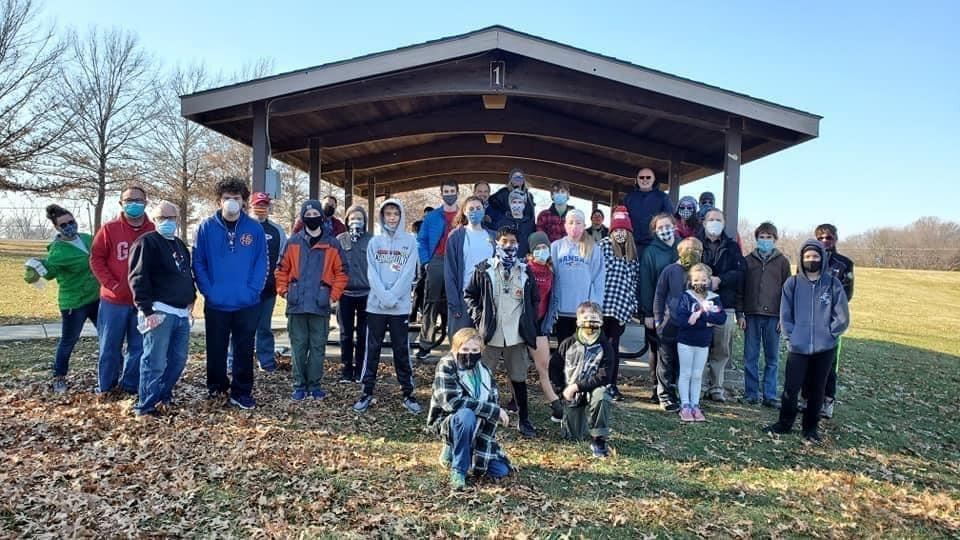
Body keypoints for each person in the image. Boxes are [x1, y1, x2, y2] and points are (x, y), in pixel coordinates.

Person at [192, 177, 268, 410]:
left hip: (247, 303)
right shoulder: (205, 227)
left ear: (244, 201)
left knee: (244, 349)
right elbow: (198, 262)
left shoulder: (254, 228)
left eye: (236, 198)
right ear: (219, 201)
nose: (231, 202)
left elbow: (261, 262)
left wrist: (253, 290)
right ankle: (216, 388)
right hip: (217, 303)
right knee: (216, 348)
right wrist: (209, 291)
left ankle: (241, 391)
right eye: (227, 198)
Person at [765, 240, 849, 443]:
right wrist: (791, 336)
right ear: (802, 259)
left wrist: (830, 334)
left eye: (816, 256)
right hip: (798, 346)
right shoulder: (792, 284)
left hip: (825, 348)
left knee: (817, 389)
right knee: (791, 387)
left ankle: (810, 427)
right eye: (808, 257)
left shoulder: (832, 284)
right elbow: (785, 313)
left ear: (823, 258)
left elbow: (841, 315)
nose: (812, 260)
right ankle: (784, 423)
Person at [464, 226, 540, 437]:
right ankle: (479, 416)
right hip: (491, 335)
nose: (508, 246)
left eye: (512, 242)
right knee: (482, 376)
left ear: (518, 244)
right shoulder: (484, 269)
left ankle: (524, 419)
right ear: (496, 243)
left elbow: (535, 299)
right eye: (504, 241)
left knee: (519, 378)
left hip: (516, 335)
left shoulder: (525, 271)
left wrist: (529, 320)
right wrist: (479, 317)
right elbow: (470, 295)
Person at [353, 198, 422, 414]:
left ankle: (408, 393)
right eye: (388, 214)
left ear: (401, 216)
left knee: (401, 350)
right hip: (376, 306)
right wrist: (384, 296)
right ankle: (367, 391)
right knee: (372, 349)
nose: (392, 218)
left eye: (396, 214)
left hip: (399, 307)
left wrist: (393, 296)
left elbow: (409, 273)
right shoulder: (375, 243)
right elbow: (371, 273)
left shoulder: (410, 242)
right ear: (382, 217)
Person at [275, 200, 349, 401]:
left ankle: (315, 385)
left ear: (322, 217)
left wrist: (333, 296)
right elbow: (281, 270)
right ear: (302, 217)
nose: (312, 217)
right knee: (298, 347)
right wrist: (285, 292)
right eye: (308, 214)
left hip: (320, 304)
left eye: (316, 214)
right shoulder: (293, 242)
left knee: (317, 347)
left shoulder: (332, 244)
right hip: (297, 304)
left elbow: (342, 273)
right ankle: (299, 385)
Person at [127, 202, 196, 417]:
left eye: (171, 217)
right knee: (154, 361)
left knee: (178, 360)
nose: (167, 222)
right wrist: (146, 310)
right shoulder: (146, 243)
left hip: (181, 312)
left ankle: (162, 395)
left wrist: (191, 297)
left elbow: (185, 273)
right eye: (161, 218)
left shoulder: (179, 244)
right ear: (154, 220)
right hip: (159, 311)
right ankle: (145, 405)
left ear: (177, 219)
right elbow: (138, 277)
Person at [24, 205, 100, 393]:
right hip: (74, 302)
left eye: (71, 222)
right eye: (63, 225)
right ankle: (59, 377)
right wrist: (35, 269)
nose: (69, 227)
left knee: (108, 336)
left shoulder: (87, 238)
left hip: (96, 297)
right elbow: (49, 272)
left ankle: (116, 369)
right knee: (69, 340)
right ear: (57, 228)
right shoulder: (57, 251)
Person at [426, 328, 512, 491]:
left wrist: (492, 410)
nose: (469, 354)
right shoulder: (446, 365)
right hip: (449, 421)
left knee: (501, 470)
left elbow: (492, 402)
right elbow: (452, 403)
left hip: (478, 426)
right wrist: (494, 410)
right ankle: (458, 470)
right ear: (455, 348)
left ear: (481, 351)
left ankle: (462, 452)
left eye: (474, 350)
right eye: (465, 349)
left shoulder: (484, 371)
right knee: (466, 415)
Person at [90, 185, 155, 396]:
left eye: (138, 200)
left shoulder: (154, 230)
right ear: (121, 203)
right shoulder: (109, 229)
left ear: (145, 203)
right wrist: (112, 284)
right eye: (128, 200)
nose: (133, 204)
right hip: (114, 301)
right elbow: (96, 259)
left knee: (139, 347)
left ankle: (130, 386)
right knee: (109, 347)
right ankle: (106, 387)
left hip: (142, 303)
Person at [229, 192, 286, 372]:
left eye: (264, 205)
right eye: (258, 205)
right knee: (240, 326)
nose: (261, 208)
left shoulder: (277, 231)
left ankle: (266, 361)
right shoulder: (239, 227)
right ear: (250, 206)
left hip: (268, 289)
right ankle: (233, 361)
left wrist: (277, 282)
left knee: (264, 328)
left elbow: (283, 259)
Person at [549, 301, 614, 458]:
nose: (589, 323)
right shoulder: (568, 343)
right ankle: (573, 419)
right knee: (573, 437)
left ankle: (599, 439)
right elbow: (554, 369)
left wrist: (577, 386)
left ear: (601, 321)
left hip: (593, 389)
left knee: (601, 396)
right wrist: (561, 392)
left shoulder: (606, 346)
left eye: (594, 319)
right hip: (571, 393)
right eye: (585, 319)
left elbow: (604, 376)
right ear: (578, 321)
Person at [736, 222, 791, 407]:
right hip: (751, 315)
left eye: (769, 237)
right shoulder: (748, 261)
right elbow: (740, 289)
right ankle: (751, 393)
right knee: (750, 356)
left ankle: (770, 395)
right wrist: (740, 314)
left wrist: (784, 316)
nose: (765, 240)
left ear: (775, 239)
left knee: (772, 358)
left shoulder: (782, 262)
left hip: (774, 317)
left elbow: (787, 291)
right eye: (762, 237)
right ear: (756, 239)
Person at [697, 209, 745, 402]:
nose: (714, 222)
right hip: (700, 303)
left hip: (725, 303)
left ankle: (716, 386)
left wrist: (720, 280)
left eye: (718, 219)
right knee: (700, 345)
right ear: (704, 222)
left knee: (721, 348)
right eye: (711, 219)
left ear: (724, 223)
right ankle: (699, 385)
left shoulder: (732, 247)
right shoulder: (696, 244)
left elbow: (740, 273)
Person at [653, 237, 703, 412]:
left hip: (691, 327)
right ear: (680, 251)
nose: (693, 253)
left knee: (685, 364)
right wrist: (658, 319)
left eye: (697, 250)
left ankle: (685, 397)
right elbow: (659, 294)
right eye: (689, 249)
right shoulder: (670, 270)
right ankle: (665, 395)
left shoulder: (701, 274)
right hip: (669, 324)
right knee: (666, 361)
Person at [673, 264, 727, 422]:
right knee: (686, 373)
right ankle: (685, 405)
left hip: (703, 342)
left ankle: (695, 404)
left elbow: (721, 318)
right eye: (696, 280)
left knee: (697, 375)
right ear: (691, 281)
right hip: (686, 341)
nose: (700, 283)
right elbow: (683, 319)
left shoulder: (714, 298)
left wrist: (700, 317)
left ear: (709, 280)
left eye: (704, 280)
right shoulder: (686, 297)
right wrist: (707, 321)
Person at [598, 206, 640, 401]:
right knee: (599, 345)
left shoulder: (632, 253)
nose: (620, 233)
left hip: (620, 307)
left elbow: (634, 281)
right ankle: (597, 383)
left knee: (613, 347)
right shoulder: (603, 245)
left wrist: (631, 307)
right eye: (616, 229)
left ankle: (611, 384)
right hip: (602, 305)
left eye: (623, 229)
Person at [416, 181, 460, 362]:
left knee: (456, 303)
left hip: (456, 262)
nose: (449, 194)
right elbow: (421, 240)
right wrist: (426, 261)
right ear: (441, 194)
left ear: (458, 192)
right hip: (437, 260)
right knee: (431, 302)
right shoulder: (433, 216)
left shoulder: (463, 215)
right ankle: (425, 344)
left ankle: (457, 345)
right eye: (446, 191)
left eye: (452, 191)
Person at [546, 209, 605, 345]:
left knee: (581, 347)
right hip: (561, 310)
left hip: (583, 313)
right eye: (571, 222)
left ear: (584, 226)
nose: (574, 226)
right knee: (564, 347)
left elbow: (598, 280)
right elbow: (551, 276)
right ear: (565, 225)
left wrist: (595, 306)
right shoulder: (556, 247)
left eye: (578, 223)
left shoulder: (594, 248)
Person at [815, 223, 855, 419]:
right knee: (807, 360)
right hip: (810, 319)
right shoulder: (809, 259)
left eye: (828, 238)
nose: (825, 241)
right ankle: (808, 398)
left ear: (835, 239)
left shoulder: (844, 264)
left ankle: (828, 400)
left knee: (829, 363)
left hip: (831, 321)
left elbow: (847, 294)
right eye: (820, 238)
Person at [638, 213, 679, 402]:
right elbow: (646, 283)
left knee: (677, 350)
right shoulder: (650, 252)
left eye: (667, 226)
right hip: (658, 310)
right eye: (660, 227)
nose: (664, 230)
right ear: (654, 231)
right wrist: (648, 313)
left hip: (679, 310)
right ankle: (657, 387)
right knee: (657, 349)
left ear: (674, 226)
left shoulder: (683, 247)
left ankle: (675, 386)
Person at [444, 196, 495, 342]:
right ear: (464, 212)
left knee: (484, 343)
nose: (475, 211)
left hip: (487, 298)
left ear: (484, 210)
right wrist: (454, 303)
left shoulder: (493, 236)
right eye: (471, 209)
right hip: (464, 297)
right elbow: (450, 272)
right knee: (462, 342)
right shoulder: (456, 236)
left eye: (478, 208)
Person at [526, 231, 564, 422]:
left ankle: (556, 405)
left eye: (544, 247)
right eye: (538, 248)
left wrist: (548, 321)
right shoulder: (524, 269)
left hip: (540, 325)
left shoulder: (551, 271)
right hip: (521, 324)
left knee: (543, 366)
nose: (542, 251)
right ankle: (516, 401)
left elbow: (552, 298)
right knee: (518, 367)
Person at [336, 205, 372, 383]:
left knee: (363, 334)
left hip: (366, 294)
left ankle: (360, 369)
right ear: (347, 220)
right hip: (345, 294)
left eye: (359, 218)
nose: (356, 221)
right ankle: (346, 369)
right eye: (352, 218)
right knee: (346, 334)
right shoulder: (340, 239)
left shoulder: (371, 240)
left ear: (365, 221)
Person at [624, 168, 673, 256]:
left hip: (656, 245)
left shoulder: (663, 197)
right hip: (634, 245)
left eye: (648, 177)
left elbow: (670, 219)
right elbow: (624, 220)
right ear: (637, 180)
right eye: (641, 177)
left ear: (654, 179)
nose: (645, 180)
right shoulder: (629, 198)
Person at [495, 189, 536, 257]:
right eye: (514, 202)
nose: (517, 205)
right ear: (510, 204)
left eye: (520, 202)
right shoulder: (502, 223)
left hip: (524, 260)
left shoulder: (530, 224)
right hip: (507, 259)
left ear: (524, 204)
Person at [409, 206, 433, 322]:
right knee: (419, 289)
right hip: (421, 261)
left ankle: (423, 314)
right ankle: (416, 314)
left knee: (427, 291)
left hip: (432, 262)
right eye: (425, 216)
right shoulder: (419, 227)